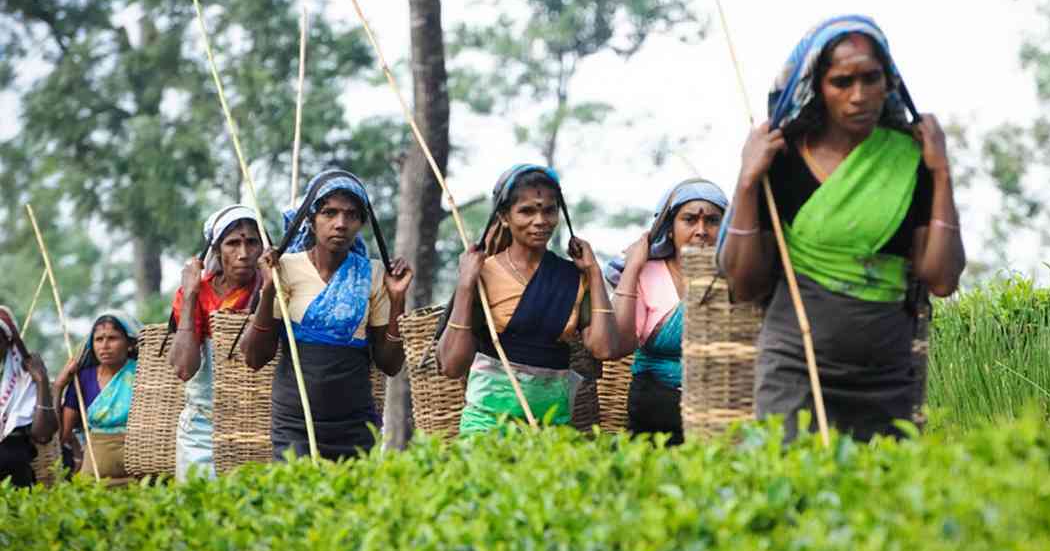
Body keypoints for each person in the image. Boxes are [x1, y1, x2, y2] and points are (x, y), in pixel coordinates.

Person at [719, 14, 965, 441]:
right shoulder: (782, 160)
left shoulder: (912, 160)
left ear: (889, 83)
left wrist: (942, 172)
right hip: (795, 370)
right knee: (790, 488)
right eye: (842, 82)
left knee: (882, 498)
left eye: (871, 79)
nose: (859, 96)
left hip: (886, 375)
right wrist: (746, 182)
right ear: (818, 87)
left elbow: (941, 279)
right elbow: (743, 284)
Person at [241, 170, 412, 460]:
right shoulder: (283, 268)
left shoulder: (373, 275)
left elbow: (390, 364)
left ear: (361, 222)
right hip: (295, 424)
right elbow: (255, 358)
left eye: (351, 215)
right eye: (329, 213)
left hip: (355, 425)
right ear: (311, 219)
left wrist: (397, 300)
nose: (340, 224)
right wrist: (268, 290)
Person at [438, 164, 620, 435]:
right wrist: (465, 285)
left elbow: (604, 349)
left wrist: (593, 272)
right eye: (527, 211)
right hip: (487, 427)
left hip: (552, 429)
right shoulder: (483, 274)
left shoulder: (572, 278)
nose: (540, 221)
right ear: (503, 217)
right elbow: (451, 366)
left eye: (549, 210)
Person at [605, 179, 728, 443]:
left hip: (719, 413)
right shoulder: (648, 274)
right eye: (689, 220)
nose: (701, 230)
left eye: (713, 221)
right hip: (654, 415)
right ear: (670, 229)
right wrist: (633, 269)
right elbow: (618, 345)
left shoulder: (735, 278)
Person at [169, 205, 264, 480]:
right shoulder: (198, 293)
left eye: (252, 242)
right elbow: (184, 369)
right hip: (202, 427)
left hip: (256, 425)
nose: (243, 254)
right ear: (217, 251)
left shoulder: (271, 288)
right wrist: (189, 295)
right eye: (233, 243)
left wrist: (270, 289)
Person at [57, 311, 142, 482]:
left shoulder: (143, 373)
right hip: (95, 474)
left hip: (139, 476)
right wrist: (59, 386)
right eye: (99, 339)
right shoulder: (82, 379)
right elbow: (62, 435)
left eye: (112, 338)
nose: (104, 345)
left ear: (129, 343)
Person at [0, 307, 57, 488]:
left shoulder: (23, 381)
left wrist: (41, 381)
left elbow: (43, 435)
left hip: (14, 479)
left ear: (7, 342)